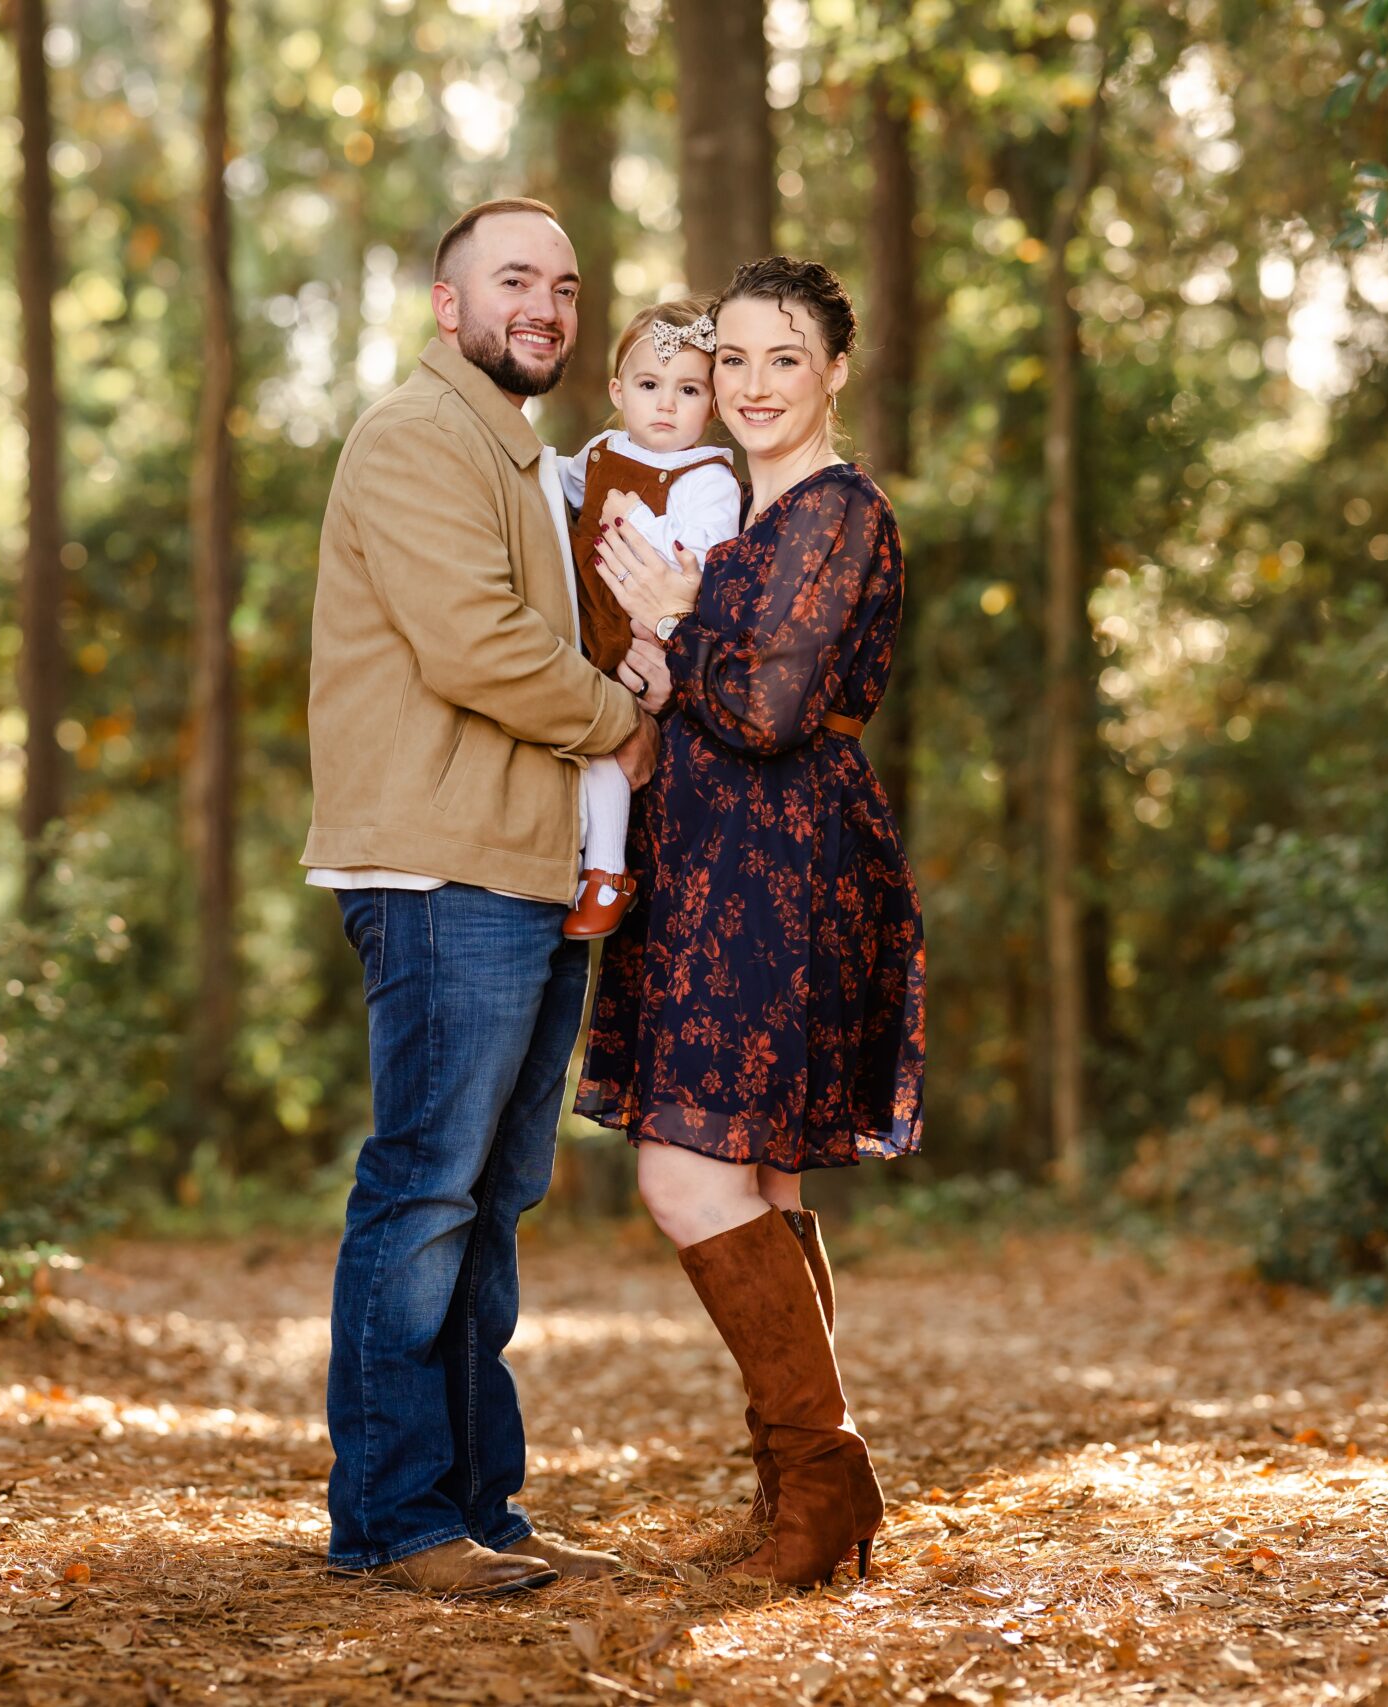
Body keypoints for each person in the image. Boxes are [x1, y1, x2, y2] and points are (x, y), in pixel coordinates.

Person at [301, 196, 667, 1598]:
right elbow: (473, 642)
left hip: (521, 864)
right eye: (516, 279)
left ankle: (476, 1505)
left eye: (567, 286)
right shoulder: (418, 435)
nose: (550, 306)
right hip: (441, 866)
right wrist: (616, 716)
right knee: (426, 1186)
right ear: (448, 306)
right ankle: (391, 1517)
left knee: (491, 1197)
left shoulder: (522, 458)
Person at [578, 255, 925, 1589]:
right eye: (730, 358)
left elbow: (773, 710)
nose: (752, 383)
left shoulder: (840, 513)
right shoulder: (722, 516)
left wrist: (677, 614)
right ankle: (806, 1499)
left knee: (687, 1173)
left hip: (791, 870)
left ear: (836, 368)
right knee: (764, 1182)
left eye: (784, 356)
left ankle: (826, 1475)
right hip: (707, 867)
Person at [553, 297, 743, 940]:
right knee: (566, 737)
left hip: (642, 640)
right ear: (618, 391)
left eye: (687, 389)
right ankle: (570, 855)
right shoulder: (602, 450)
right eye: (649, 385)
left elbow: (700, 562)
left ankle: (607, 872)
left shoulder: (708, 477)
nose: (666, 404)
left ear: (711, 403)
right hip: (584, 625)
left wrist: (640, 520)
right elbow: (557, 484)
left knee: (608, 741)